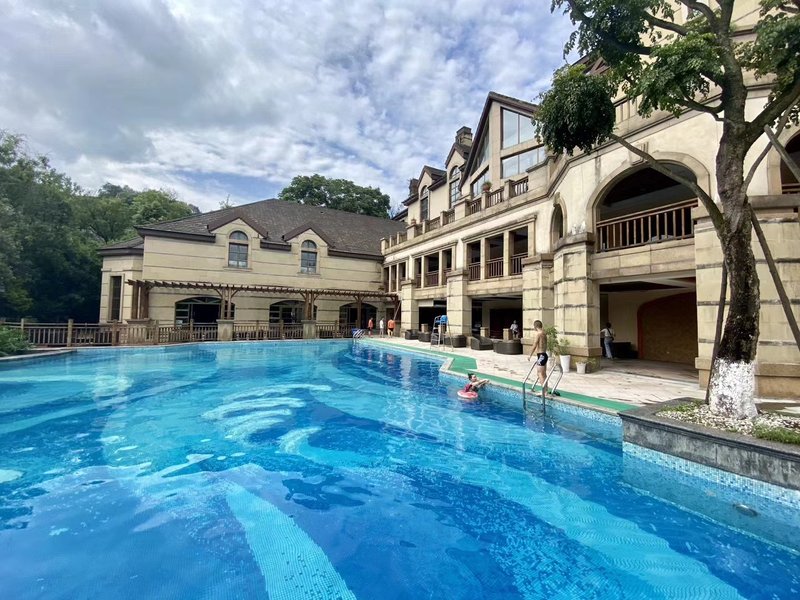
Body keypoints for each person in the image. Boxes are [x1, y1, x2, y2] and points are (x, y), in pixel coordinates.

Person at [527, 320, 550, 393]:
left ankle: (544, 392)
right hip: (544, 355)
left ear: (535, 326)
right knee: (544, 374)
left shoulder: (538, 334)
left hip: (541, 356)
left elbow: (535, 344)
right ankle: (546, 390)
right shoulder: (544, 334)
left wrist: (530, 355)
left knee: (539, 373)